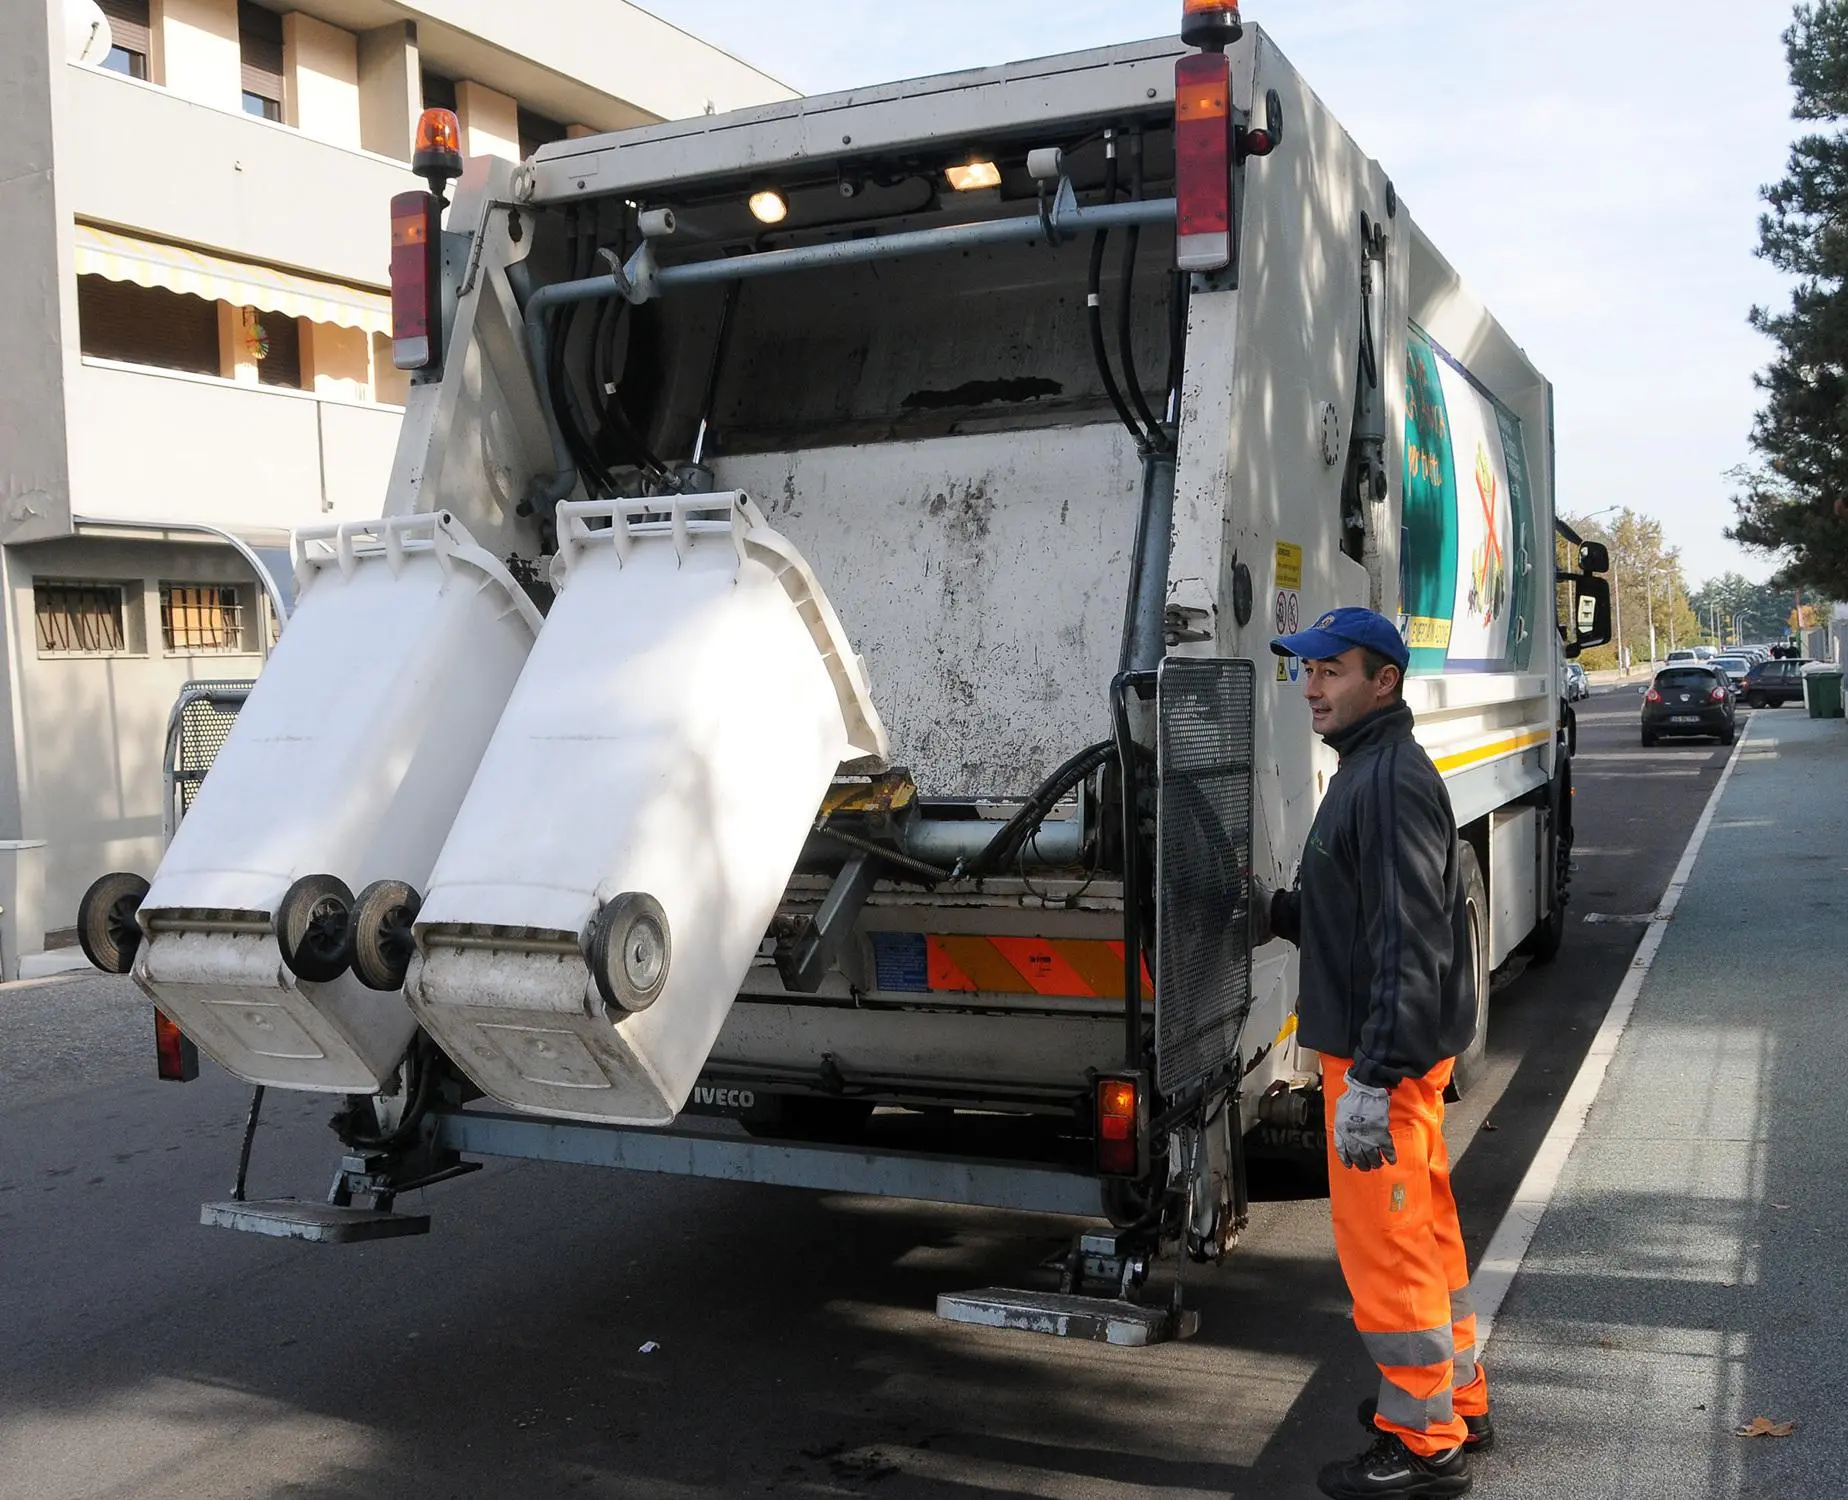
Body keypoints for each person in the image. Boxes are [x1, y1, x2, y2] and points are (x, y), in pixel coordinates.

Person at [1257, 606, 1491, 1499]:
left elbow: (1408, 943)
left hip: (1377, 1064)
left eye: (1331, 671)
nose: (1311, 687)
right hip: (1386, 1059)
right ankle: (1456, 1397)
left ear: (1382, 681)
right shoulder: (1368, 770)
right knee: (1425, 1233)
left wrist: (1373, 1080)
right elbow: (1358, 916)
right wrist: (1279, 915)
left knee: (1386, 1250)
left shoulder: (1386, 781)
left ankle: (1422, 1442)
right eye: (1306, 671)